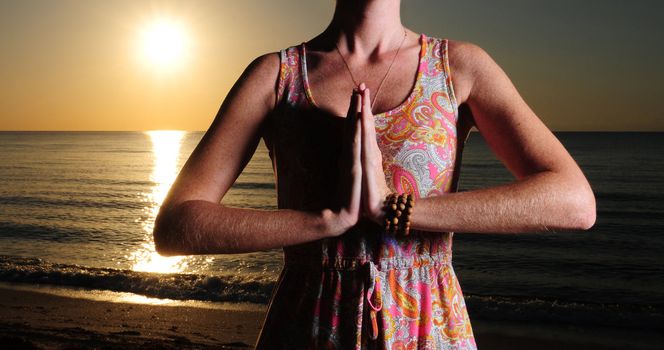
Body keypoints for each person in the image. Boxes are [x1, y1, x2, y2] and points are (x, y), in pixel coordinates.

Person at [153, 0, 596, 348]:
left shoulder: (459, 66)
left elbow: (573, 200)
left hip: (429, 327)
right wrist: (328, 221)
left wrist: (397, 209)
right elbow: (175, 225)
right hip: (308, 325)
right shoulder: (276, 76)